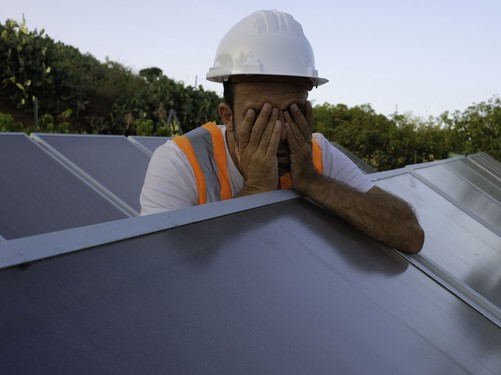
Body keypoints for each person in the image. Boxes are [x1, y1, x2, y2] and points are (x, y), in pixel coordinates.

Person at [140, 10, 424, 254]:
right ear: (228, 116)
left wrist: (313, 181)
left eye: (292, 112)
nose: (279, 131)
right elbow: (158, 270)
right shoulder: (181, 163)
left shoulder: (315, 154)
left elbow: (410, 234)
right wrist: (255, 190)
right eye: (260, 115)